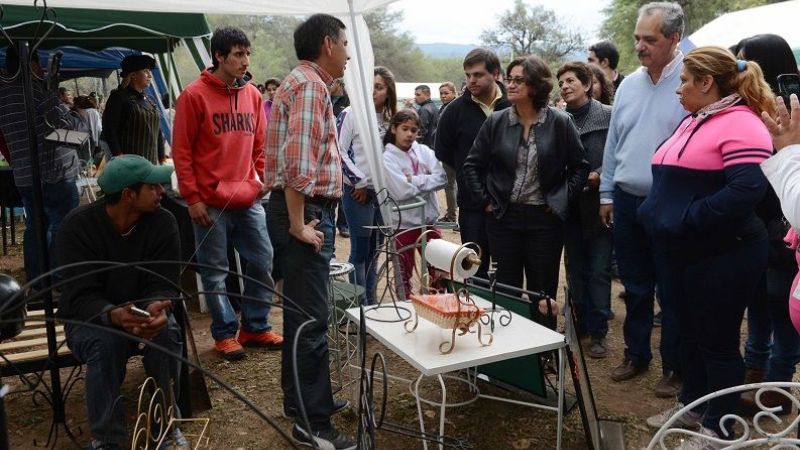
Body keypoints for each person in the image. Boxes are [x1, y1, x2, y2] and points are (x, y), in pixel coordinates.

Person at [640, 46, 776, 444]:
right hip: (682, 251)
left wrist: (685, 219)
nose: (678, 89)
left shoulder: (742, 123)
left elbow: (746, 189)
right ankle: (694, 406)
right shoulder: (695, 120)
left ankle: (720, 428)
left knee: (716, 341)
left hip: (724, 252)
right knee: (686, 333)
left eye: (684, 81)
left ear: (706, 82)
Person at [264, 13, 355, 450]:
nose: (349, 53)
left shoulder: (303, 82)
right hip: (304, 212)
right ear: (326, 44)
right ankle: (311, 423)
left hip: (304, 210)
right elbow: (298, 163)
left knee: (302, 316)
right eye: (344, 43)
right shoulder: (310, 85)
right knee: (312, 322)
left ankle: (300, 400)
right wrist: (300, 225)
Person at [56, 155, 187, 450]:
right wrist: (112, 314)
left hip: (143, 313)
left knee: (166, 335)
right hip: (92, 319)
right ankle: (106, 438)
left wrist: (156, 306)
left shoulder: (163, 221)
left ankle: (165, 426)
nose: (162, 191)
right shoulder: (76, 227)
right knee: (106, 344)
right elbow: (79, 294)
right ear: (128, 194)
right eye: (153, 186)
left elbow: (165, 280)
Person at [172, 27, 282, 361]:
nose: (245, 61)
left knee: (263, 260)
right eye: (238, 54)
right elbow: (182, 152)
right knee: (215, 270)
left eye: (247, 53)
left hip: (247, 197)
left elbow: (260, 144)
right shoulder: (193, 96)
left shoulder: (251, 95)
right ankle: (223, 333)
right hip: (209, 201)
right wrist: (192, 197)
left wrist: (261, 178)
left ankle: (254, 325)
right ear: (219, 56)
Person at [598, 2, 687, 397]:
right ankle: (636, 355)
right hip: (627, 200)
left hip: (673, 203)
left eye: (649, 39)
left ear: (674, 39)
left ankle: (675, 366)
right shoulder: (629, 85)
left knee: (672, 289)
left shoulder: (694, 81)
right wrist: (606, 191)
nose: (639, 46)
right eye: (636, 38)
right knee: (635, 286)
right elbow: (615, 142)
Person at [462, 55, 589, 311]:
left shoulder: (560, 122)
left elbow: (580, 167)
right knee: (505, 290)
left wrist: (560, 201)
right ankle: (510, 350)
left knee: (541, 293)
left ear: (536, 85)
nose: (511, 84)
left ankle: (542, 349)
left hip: (544, 220)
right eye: (509, 79)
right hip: (503, 217)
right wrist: (486, 203)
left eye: (519, 79)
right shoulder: (496, 122)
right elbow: (471, 166)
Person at [733, 34, 800, 414]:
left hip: (785, 229)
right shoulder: (748, 109)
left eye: (744, 63)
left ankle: (777, 386)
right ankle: (753, 374)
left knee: (781, 307)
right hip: (755, 227)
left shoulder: (792, 115)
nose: (739, 70)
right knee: (758, 304)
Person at [0, 47, 79, 288]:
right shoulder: (38, 91)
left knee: (35, 227)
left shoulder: (2, 95)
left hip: (24, 174)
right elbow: (66, 132)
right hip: (55, 170)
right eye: (38, 63)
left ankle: (37, 280)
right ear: (31, 65)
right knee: (61, 225)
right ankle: (58, 280)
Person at [435, 48, 511, 279]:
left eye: (478, 75)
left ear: (495, 73)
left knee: (508, 271)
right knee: (474, 268)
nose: (471, 81)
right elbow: (444, 152)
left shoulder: (514, 105)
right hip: (471, 205)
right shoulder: (454, 110)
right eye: (468, 75)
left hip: (510, 203)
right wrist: (471, 179)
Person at [557, 61, 613, 358]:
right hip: (570, 204)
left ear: (587, 83)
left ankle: (599, 330)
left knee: (599, 269)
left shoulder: (608, 114)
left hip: (600, 203)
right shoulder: (558, 119)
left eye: (570, 81)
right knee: (574, 268)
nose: (565, 87)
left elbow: (619, 152)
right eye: (561, 83)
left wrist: (601, 175)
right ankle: (578, 325)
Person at [337, 66, 397, 305]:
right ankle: (358, 307)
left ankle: (371, 303)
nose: (373, 92)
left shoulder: (393, 118)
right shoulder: (351, 114)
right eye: (369, 87)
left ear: (388, 90)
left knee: (375, 250)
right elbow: (339, 151)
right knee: (360, 251)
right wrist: (358, 182)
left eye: (379, 87)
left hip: (383, 194)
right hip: (357, 192)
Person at [383, 109, 447, 297]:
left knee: (440, 267)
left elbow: (442, 178)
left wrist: (414, 180)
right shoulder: (387, 158)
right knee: (403, 271)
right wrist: (426, 179)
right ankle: (406, 308)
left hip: (428, 221)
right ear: (394, 129)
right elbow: (401, 191)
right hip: (403, 224)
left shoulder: (424, 151)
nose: (410, 134)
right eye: (405, 128)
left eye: (414, 129)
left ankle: (435, 305)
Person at [102, 55, 165, 164]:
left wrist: (161, 157)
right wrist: (119, 156)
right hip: (130, 164)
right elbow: (109, 130)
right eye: (145, 71)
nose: (150, 76)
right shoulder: (118, 97)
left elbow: (157, 130)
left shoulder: (150, 100)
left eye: (149, 71)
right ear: (133, 75)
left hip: (151, 162)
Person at [437, 81, 459, 224]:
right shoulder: (444, 108)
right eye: (441, 93)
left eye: (446, 93)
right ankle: (451, 215)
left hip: (452, 153)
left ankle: (452, 217)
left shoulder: (454, 108)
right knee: (451, 185)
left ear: (453, 93)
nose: (443, 96)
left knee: (450, 185)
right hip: (447, 152)